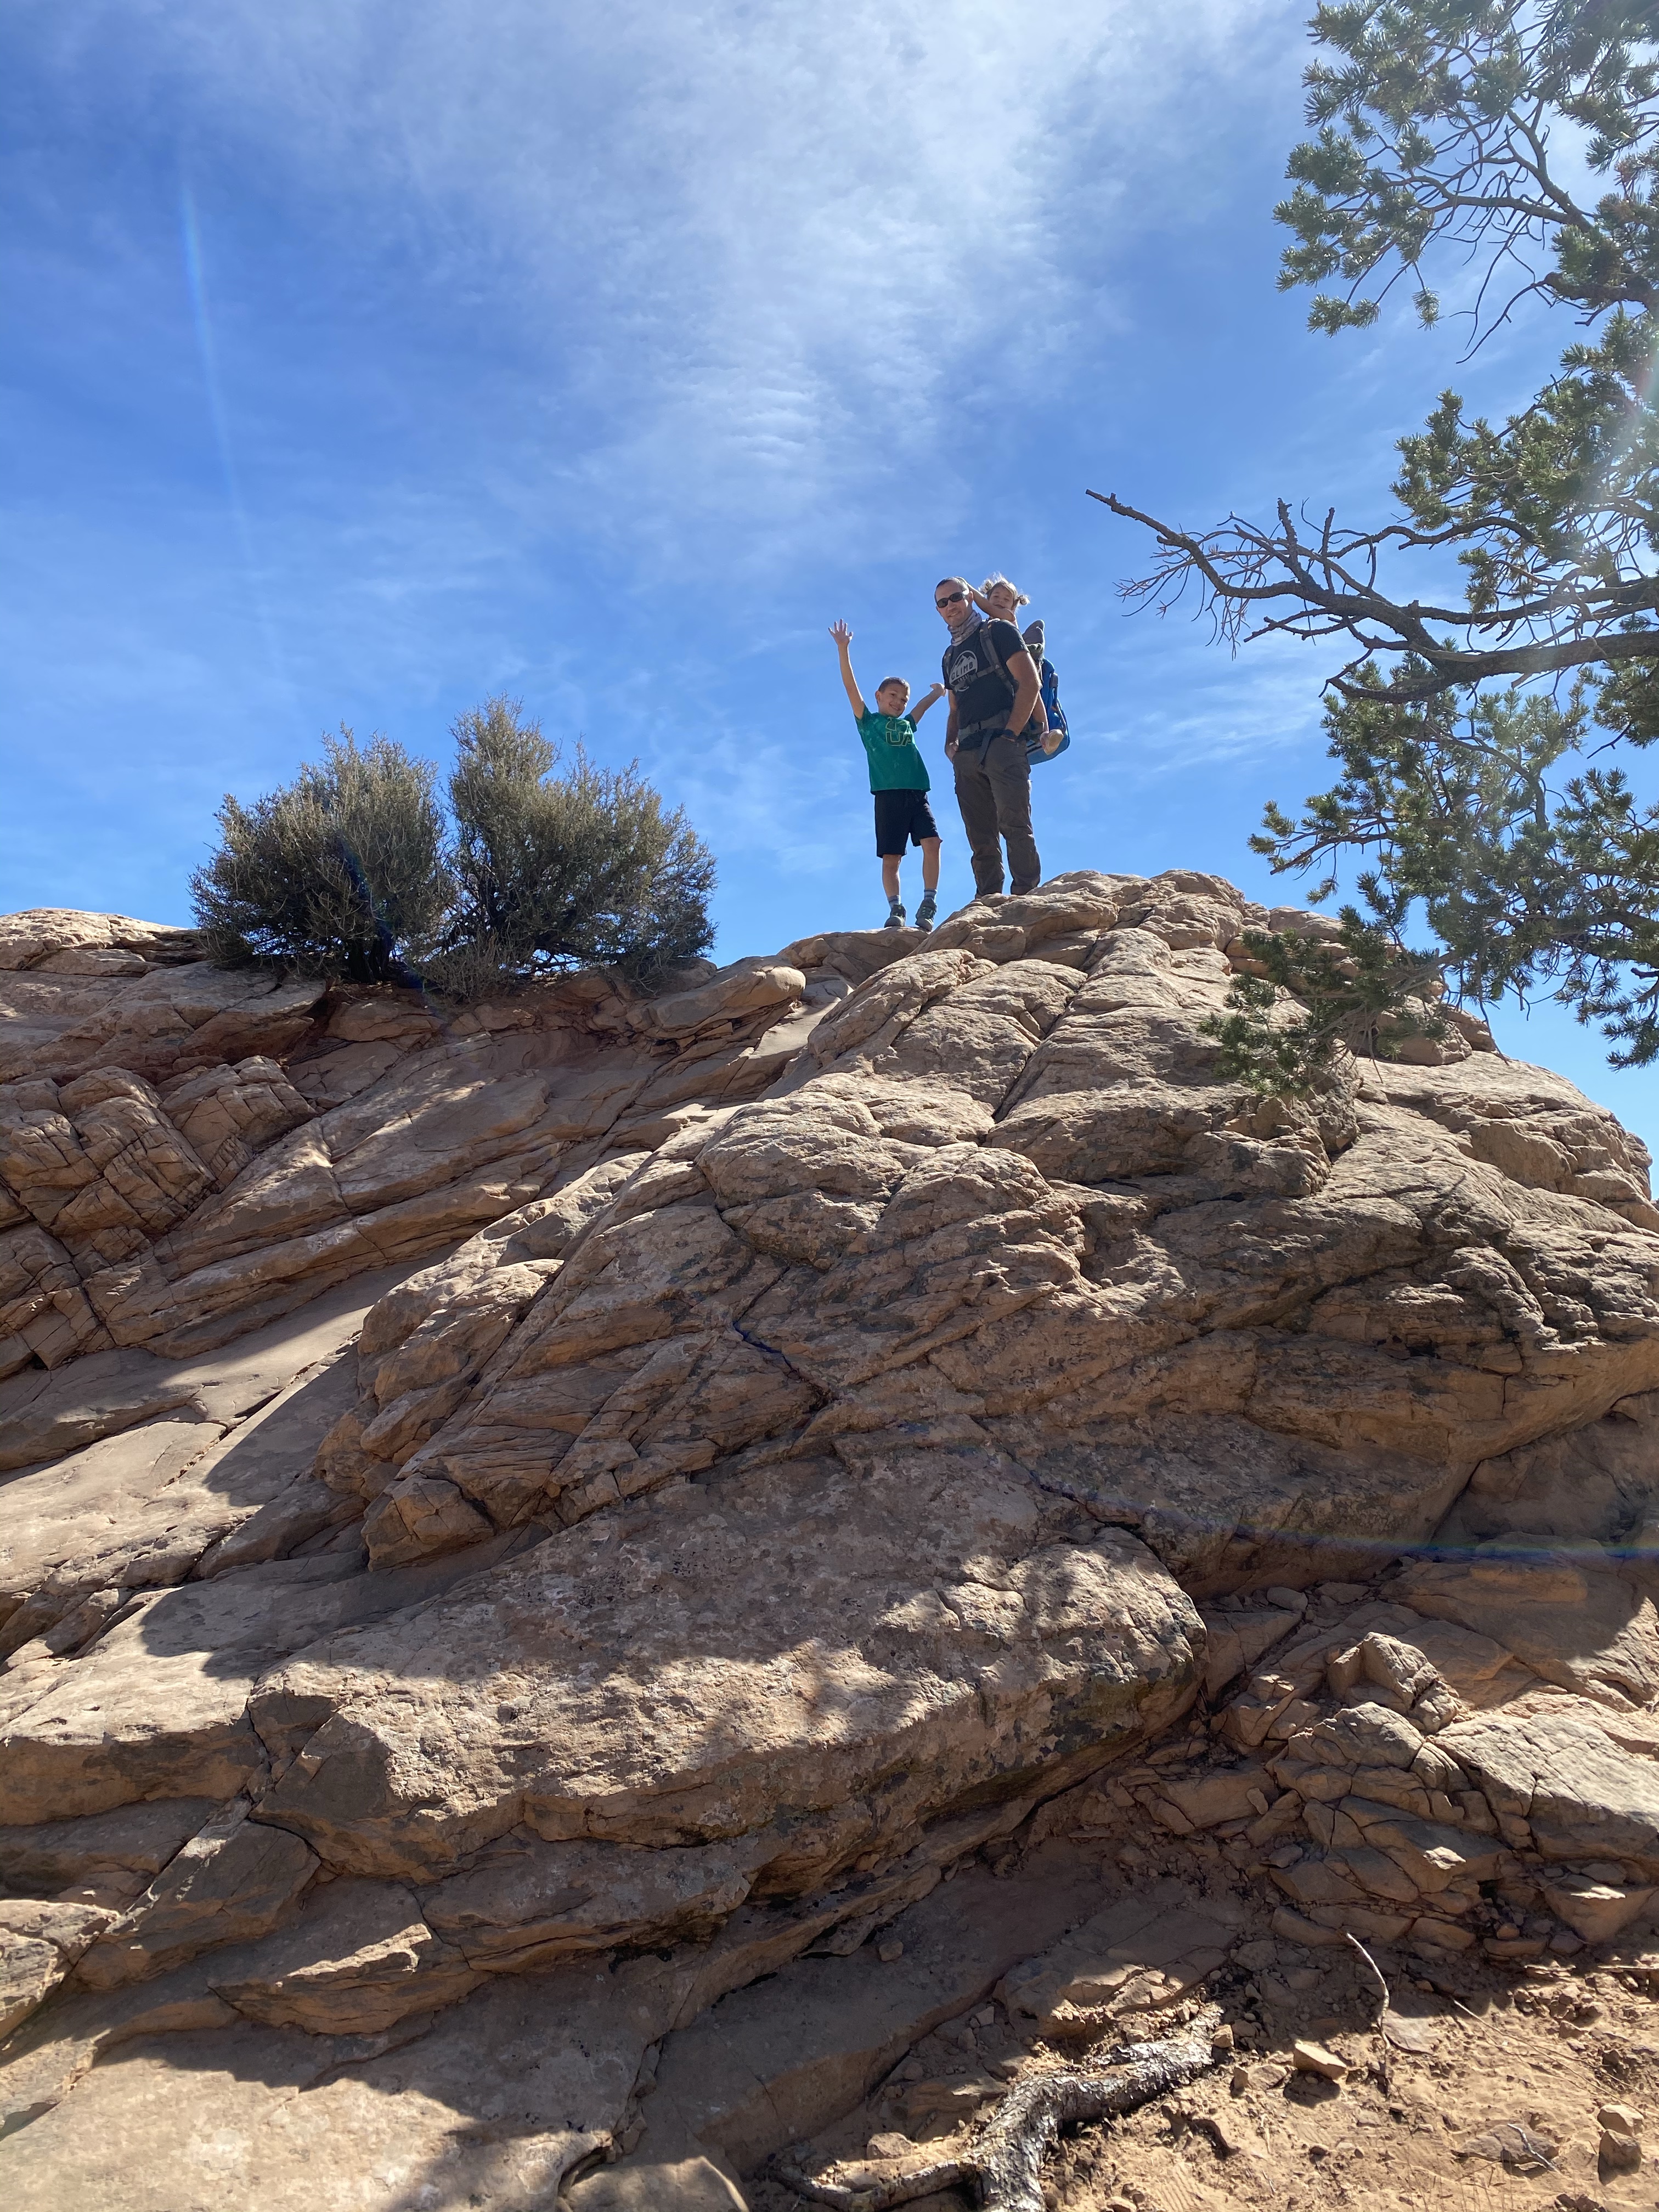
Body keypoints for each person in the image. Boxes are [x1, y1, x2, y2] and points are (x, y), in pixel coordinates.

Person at [829, 619, 945, 930]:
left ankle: (929, 903)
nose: (899, 702)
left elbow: (921, 708)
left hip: (917, 793)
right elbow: (850, 687)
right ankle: (896, 908)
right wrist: (843, 649)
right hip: (887, 796)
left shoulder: (907, 724)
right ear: (879, 696)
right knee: (892, 858)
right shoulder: (868, 723)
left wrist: (936, 694)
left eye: (903, 699)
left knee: (933, 842)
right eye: (893, 695)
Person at [934, 577, 1042, 896]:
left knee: (1016, 826)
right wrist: (950, 744)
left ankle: (1026, 897)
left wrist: (1010, 735)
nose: (950, 606)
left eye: (956, 597)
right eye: (942, 603)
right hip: (967, 753)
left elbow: (1030, 683)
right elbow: (954, 707)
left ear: (970, 597)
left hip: (1003, 743)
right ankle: (987, 900)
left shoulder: (999, 631)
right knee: (980, 837)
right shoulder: (948, 657)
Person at [969, 576, 1063, 756]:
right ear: (989, 597)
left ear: (1013, 606)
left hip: (1017, 666)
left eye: (1006, 599)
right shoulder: (984, 627)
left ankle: (1045, 734)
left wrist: (968, 589)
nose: (1000, 601)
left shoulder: (1008, 618)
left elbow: (988, 608)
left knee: (1032, 690)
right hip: (999, 670)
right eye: (996, 596)